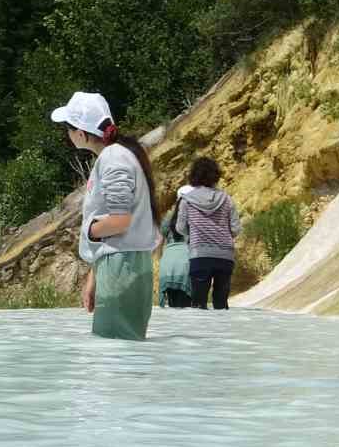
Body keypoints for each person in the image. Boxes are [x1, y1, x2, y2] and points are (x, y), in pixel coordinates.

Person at [51, 91, 160, 340]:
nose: (66, 135)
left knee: (113, 353)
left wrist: (88, 230)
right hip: (123, 264)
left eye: (67, 128)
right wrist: (95, 275)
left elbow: (119, 222)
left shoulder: (113, 158)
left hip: (121, 267)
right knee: (122, 351)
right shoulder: (121, 154)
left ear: (80, 133)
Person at [176, 156, 243, 310]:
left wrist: (193, 234)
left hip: (200, 255)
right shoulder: (227, 199)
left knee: (198, 305)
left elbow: (180, 228)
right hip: (225, 256)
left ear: (194, 176)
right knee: (221, 304)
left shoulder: (187, 201)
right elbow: (236, 229)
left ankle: (203, 334)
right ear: (215, 175)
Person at [157, 185, 195, 308]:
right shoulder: (195, 219)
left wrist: (161, 260)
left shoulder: (168, 219)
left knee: (173, 311)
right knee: (186, 311)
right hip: (186, 265)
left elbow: (158, 244)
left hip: (167, 266)